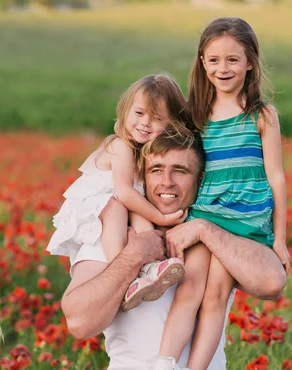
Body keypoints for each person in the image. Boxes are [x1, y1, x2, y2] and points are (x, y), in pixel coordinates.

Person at [61, 129, 287, 369]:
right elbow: (78, 322)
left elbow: (272, 283)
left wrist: (204, 230)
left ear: (200, 179)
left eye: (180, 171)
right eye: (156, 170)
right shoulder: (114, 233)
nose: (166, 182)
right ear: (142, 176)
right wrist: (134, 255)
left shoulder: (220, 235)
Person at [151, 17, 291, 370]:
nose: (222, 68)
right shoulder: (196, 114)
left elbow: (276, 177)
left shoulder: (262, 115)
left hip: (245, 219)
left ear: (250, 62)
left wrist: (280, 241)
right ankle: (164, 362)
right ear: (202, 62)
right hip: (207, 210)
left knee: (215, 297)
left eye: (232, 59)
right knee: (191, 288)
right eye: (214, 60)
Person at [46, 74, 190, 312]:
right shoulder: (120, 145)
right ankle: (127, 275)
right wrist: (162, 219)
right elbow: (123, 192)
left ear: (171, 124)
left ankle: (151, 269)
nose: (145, 122)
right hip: (97, 207)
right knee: (120, 206)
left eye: (156, 118)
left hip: (122, 204)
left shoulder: (143, 151)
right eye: (139, 113)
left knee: (138, 206)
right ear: (125, 111)